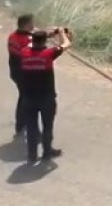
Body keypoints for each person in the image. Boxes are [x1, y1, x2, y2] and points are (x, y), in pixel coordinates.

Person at [17, 24, 70, 164]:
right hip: (46, 98)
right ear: (44, 42)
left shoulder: (24, 52)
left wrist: (48, 33)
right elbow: (66, 44)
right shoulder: (48, 54)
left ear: (33, 40)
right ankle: (47, 153)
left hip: (28, 98)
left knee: (32, 128)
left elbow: (31, 41)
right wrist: (60, 32)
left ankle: (32, 155)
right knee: (48, 127)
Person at [7, 14, 35, 138]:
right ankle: (22, 123)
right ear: (25, 25)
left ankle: (22, 123)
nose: (33, 25)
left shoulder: (13, 36)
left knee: (23, 96)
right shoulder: (26, 40)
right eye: (31, 23)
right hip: (24, 73)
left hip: (15, 71)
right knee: (25, 98)